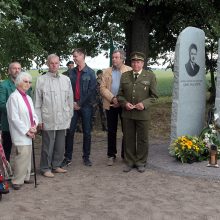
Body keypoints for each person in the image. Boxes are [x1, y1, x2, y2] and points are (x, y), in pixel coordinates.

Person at [118, 52, 158, 173]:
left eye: (138, 62)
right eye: (134, 62)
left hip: (143, 114)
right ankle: (129, 161)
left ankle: (141, 162)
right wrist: (125, 103)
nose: (136, 64)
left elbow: (154, 96)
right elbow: (120, 95)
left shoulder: (150, 76)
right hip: (128, 113)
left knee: (142, 139)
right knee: (128, 138)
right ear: (131, 63)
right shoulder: (125, 76)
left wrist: (144, 104)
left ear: (143, 63)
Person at [34, 54, 73, 178]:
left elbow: (70, 99)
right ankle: (45, 167)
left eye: (56, 63)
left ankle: (56, 165)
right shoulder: (41, 80)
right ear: (47, 64)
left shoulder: (65, 80)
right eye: (52, 63)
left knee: (60, 144)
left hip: (62, 117)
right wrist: (39, 120)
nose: (54, 65)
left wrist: (69, 115)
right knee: (48, 144)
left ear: (59, 63)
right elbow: (37, 103)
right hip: (48, 117)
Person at [61, 48, 96, 167]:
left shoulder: (91, 72)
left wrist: (79, 104)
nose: (74, 58)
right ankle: (67, 157)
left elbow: (91, 91)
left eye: (76, 56)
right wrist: (72, 103)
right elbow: (66, 89)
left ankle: (86, 157)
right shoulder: (71, 72)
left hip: (86, 107)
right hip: (72, 106)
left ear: (82, 56)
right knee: (70, 131)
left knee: (87, 132)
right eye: (73, 56)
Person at [6, 72, 38, 190]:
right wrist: (26, 131)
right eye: (25, 81)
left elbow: (33, 114)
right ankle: (16, 180)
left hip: (30, 130)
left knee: (28, 154)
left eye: (29, 82)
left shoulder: (28, 97)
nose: (28, 84)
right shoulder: (13, 97)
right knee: (22, 155)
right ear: (18, 82)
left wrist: (34, 125)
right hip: (20, 132)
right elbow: (14, 118)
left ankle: (25, 176)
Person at [100, 49, 132, 166]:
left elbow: (131, 89)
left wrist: (121, 100)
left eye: (116, 57)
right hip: (111, 104)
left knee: (126, 130)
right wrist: (113, 98)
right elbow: (102, 88)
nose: (114, 59)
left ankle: (125, 154)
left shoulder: (129, 70)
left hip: (124, 105)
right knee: (111, 131)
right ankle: (111, 155)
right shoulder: (106, 71)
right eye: (113, 57)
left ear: (122, 59)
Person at [0, 62, 28, 161]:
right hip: (8, 123)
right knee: (7, 148)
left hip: (24, 123)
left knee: (23, 148)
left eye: (19, 68)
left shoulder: (26, 84)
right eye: (14, 68)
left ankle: (23, 169)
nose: (17, 70)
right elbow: (2, 104)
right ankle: (6, 170)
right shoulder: (3, 85)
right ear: (9, 71)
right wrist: (15, 115)